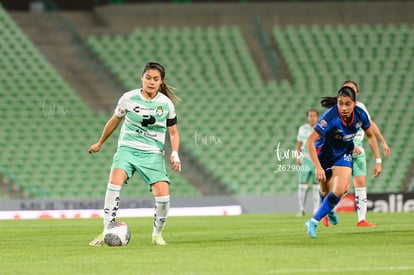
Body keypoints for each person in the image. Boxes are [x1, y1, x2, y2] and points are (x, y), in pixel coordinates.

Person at [88, 62, 181, 246]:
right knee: (114, 183)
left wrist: (175, 153)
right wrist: (100, 143)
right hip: (127, 149)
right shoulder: (128, 98)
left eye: (156, 79)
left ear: (161, 81)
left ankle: (157, 235)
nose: (151, 82)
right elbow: (114, 121)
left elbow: (173, 132)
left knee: (163, 198)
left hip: (152, 153)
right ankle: (106, 230)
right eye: (148, 78)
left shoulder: (166, 104)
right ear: (142, 78)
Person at [304, 86, 382, 238]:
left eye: (348, 104)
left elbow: (371, 136)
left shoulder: (361, 115)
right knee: (326, 192)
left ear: (354, 103)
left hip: (344, 153)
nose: (344, 108)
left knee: (340, 190)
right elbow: (309, 142)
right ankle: (329, 209)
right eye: (340, 103)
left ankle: (313, 222)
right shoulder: (329, 117)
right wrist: (318, 167)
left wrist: (378, 160)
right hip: (325, 154)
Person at [321, 80, 391, 227]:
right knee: (342, 188)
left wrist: (382, 142)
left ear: (356, 93)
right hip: (341, 151)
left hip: (359, 151)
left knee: (361, 184)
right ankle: (326, 211)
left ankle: (361, 219)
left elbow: (371, 127)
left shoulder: (361, 108)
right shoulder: (338, 110)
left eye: (352, 89)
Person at [295, 109, 320, 217]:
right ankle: (301, 209)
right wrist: (298, 157)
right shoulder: (302, 129)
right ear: (307, 117)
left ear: (317, 117)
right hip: (305, 158)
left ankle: (316, 209)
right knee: (302, 184)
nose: (312, 117)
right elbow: (299, 144)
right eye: (310, 115)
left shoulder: (321, 127)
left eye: (314, 115)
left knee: (316, 185)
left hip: (317, 159)